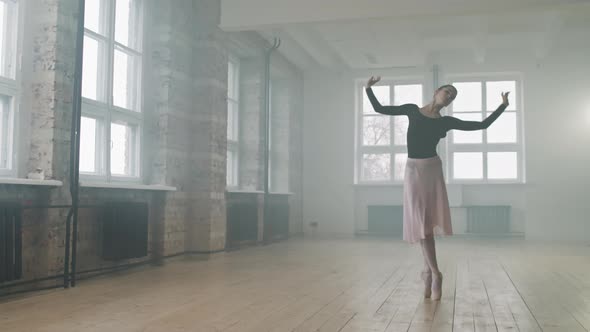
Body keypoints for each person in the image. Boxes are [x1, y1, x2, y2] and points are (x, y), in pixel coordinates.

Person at [365, 76, 509, 300]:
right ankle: (428, 273)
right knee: (422, 223)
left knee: (426, 224)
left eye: (453, 96)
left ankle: (434, 273)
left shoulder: (445, 122)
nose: (449, 96)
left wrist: (502, 106)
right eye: (447, 92)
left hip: (431, 169)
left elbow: (482, 125)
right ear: (436, 91)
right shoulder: (412, 110)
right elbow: (379, 108)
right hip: (412, 170)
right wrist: (368, 88)